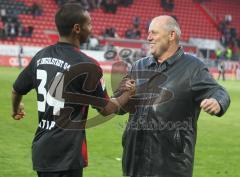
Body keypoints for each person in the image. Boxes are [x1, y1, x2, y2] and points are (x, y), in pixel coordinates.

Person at [11, 3, 135, 177]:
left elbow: (17, 90)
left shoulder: (40, 56)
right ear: (77, 28)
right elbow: (107, 109)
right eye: (89, 24)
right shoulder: (88, 65)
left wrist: (16, 109)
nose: (91, 29)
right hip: (67, 155)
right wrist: (127, 94)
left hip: (42, 152)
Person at [116, 15, 230, 177]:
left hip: (170, 165)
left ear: (172, 35)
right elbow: (119, 105)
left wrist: (217, 101)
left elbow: (219, 91)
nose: (148, 38)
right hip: (134, 161)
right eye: (148, 33)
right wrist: (114, 98)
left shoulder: (193, 68)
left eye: (154, 33)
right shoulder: (139, 66)